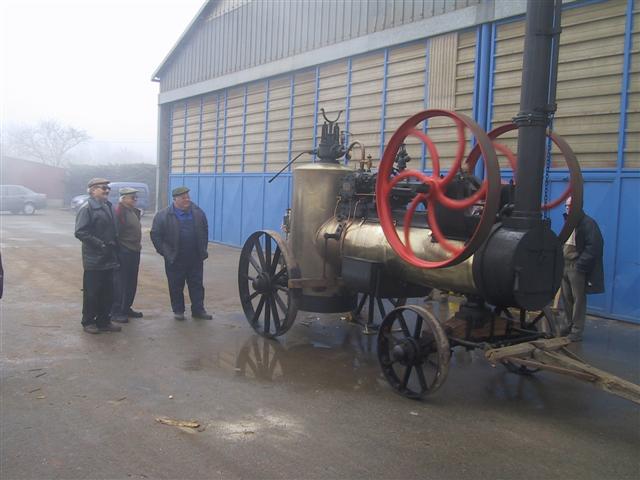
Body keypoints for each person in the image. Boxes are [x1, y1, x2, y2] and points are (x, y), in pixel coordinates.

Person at [150, 186, 213, 320]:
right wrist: (165, 252)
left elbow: (205, 230)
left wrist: (202, 249)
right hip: (175, 258)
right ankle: (178, 311)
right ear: (175, 199)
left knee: (197, 285)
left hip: (195, 257)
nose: (187, 200)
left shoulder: (198, 212)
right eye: (183, 198)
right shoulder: (163, 215)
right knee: (176, 285)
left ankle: (198, 310)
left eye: (188, 197)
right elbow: (155, 235)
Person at [74, 178, 122, 334]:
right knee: (92, 293)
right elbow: (80, 232)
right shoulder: (87, 208)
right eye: (103, 188)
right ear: (92, 190)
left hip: (109, 258)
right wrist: (100, 244)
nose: (107, 190)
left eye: (108, 188)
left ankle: (104, 321)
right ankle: (88, 321)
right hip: (94, 259)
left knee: (108, 292)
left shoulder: (107, 206)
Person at [561, 196, 604, 342]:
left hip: (576, 266)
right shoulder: (568, 222)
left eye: (569, 206)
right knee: (566, 298)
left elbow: (594, 247)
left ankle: (576, 331)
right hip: (565, 265)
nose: (567, 208)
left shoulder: (588, 223)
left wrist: (580, 265)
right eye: (566, 206)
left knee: (578, 299)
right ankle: (568, 325)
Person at [111, 187, 143, 323]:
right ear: (123, 198)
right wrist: (117, 252)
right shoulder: (119, 212)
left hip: (134, 251)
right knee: (120, 283)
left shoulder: (133, 211)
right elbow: (115, 234)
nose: (135, 199)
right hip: (124, 251)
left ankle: (126, 307)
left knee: (131, 281)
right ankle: (116, 311)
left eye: (136, 197)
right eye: (132, 197)